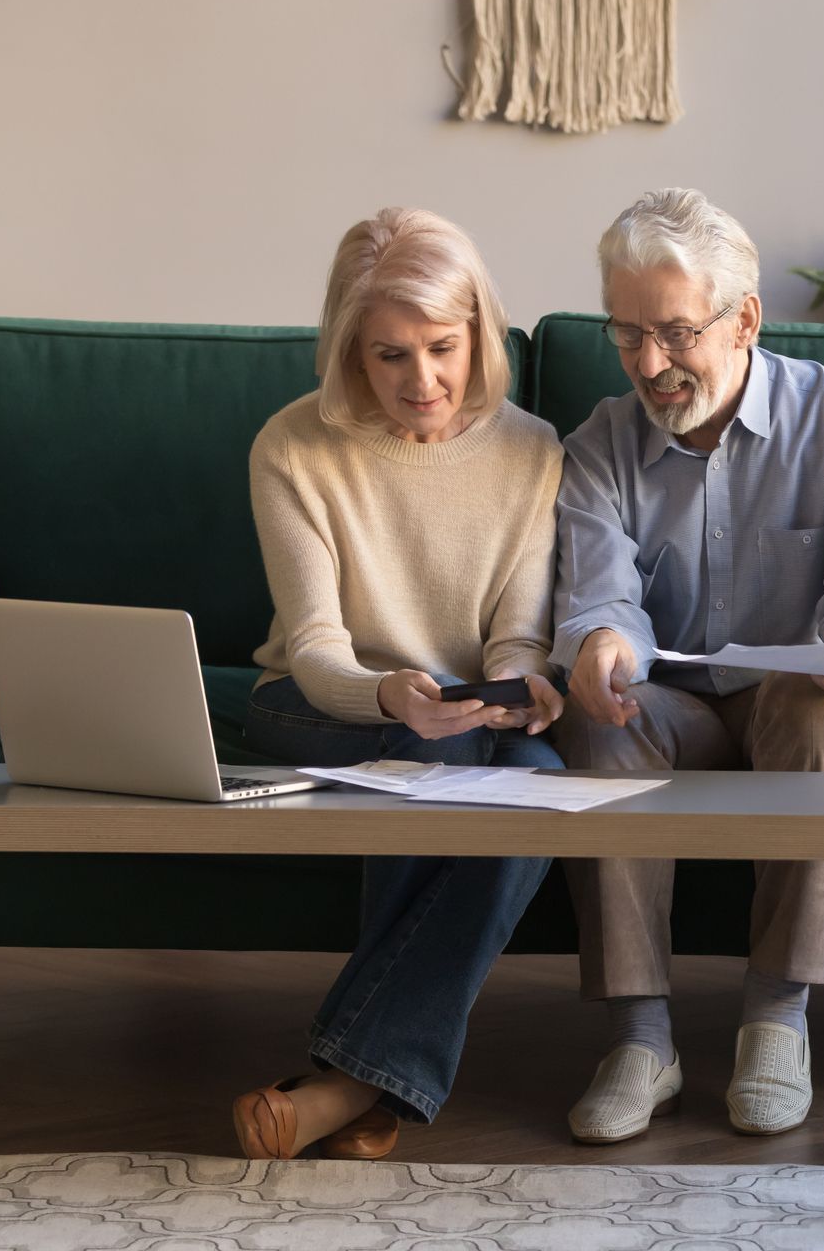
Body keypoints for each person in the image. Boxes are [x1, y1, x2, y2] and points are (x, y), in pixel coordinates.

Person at [551, 187, 824, 1143]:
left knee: (814, 703)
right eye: (626, 335)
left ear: (745, 319)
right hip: (676, 706)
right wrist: (601, 646)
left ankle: (777, 1018)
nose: (649, 364)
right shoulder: (598, 444)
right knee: (596, 708)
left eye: (674, 333)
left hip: (812, 702)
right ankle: (641, 1041)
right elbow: (603, 592)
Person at [232, 207, 564, 1162]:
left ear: (480, 335)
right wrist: (392, 697)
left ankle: (350, 1082)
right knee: (443, 740)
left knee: (539, 779)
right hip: (316, 700)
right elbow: (317, 648)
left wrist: (521, 684)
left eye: (444, 349)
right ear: (349, 350)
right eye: (390, 356)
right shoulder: (292, 448)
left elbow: (519, 632)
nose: (423, 381)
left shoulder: (533, 450)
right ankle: (366, 1082)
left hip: (459, 711)